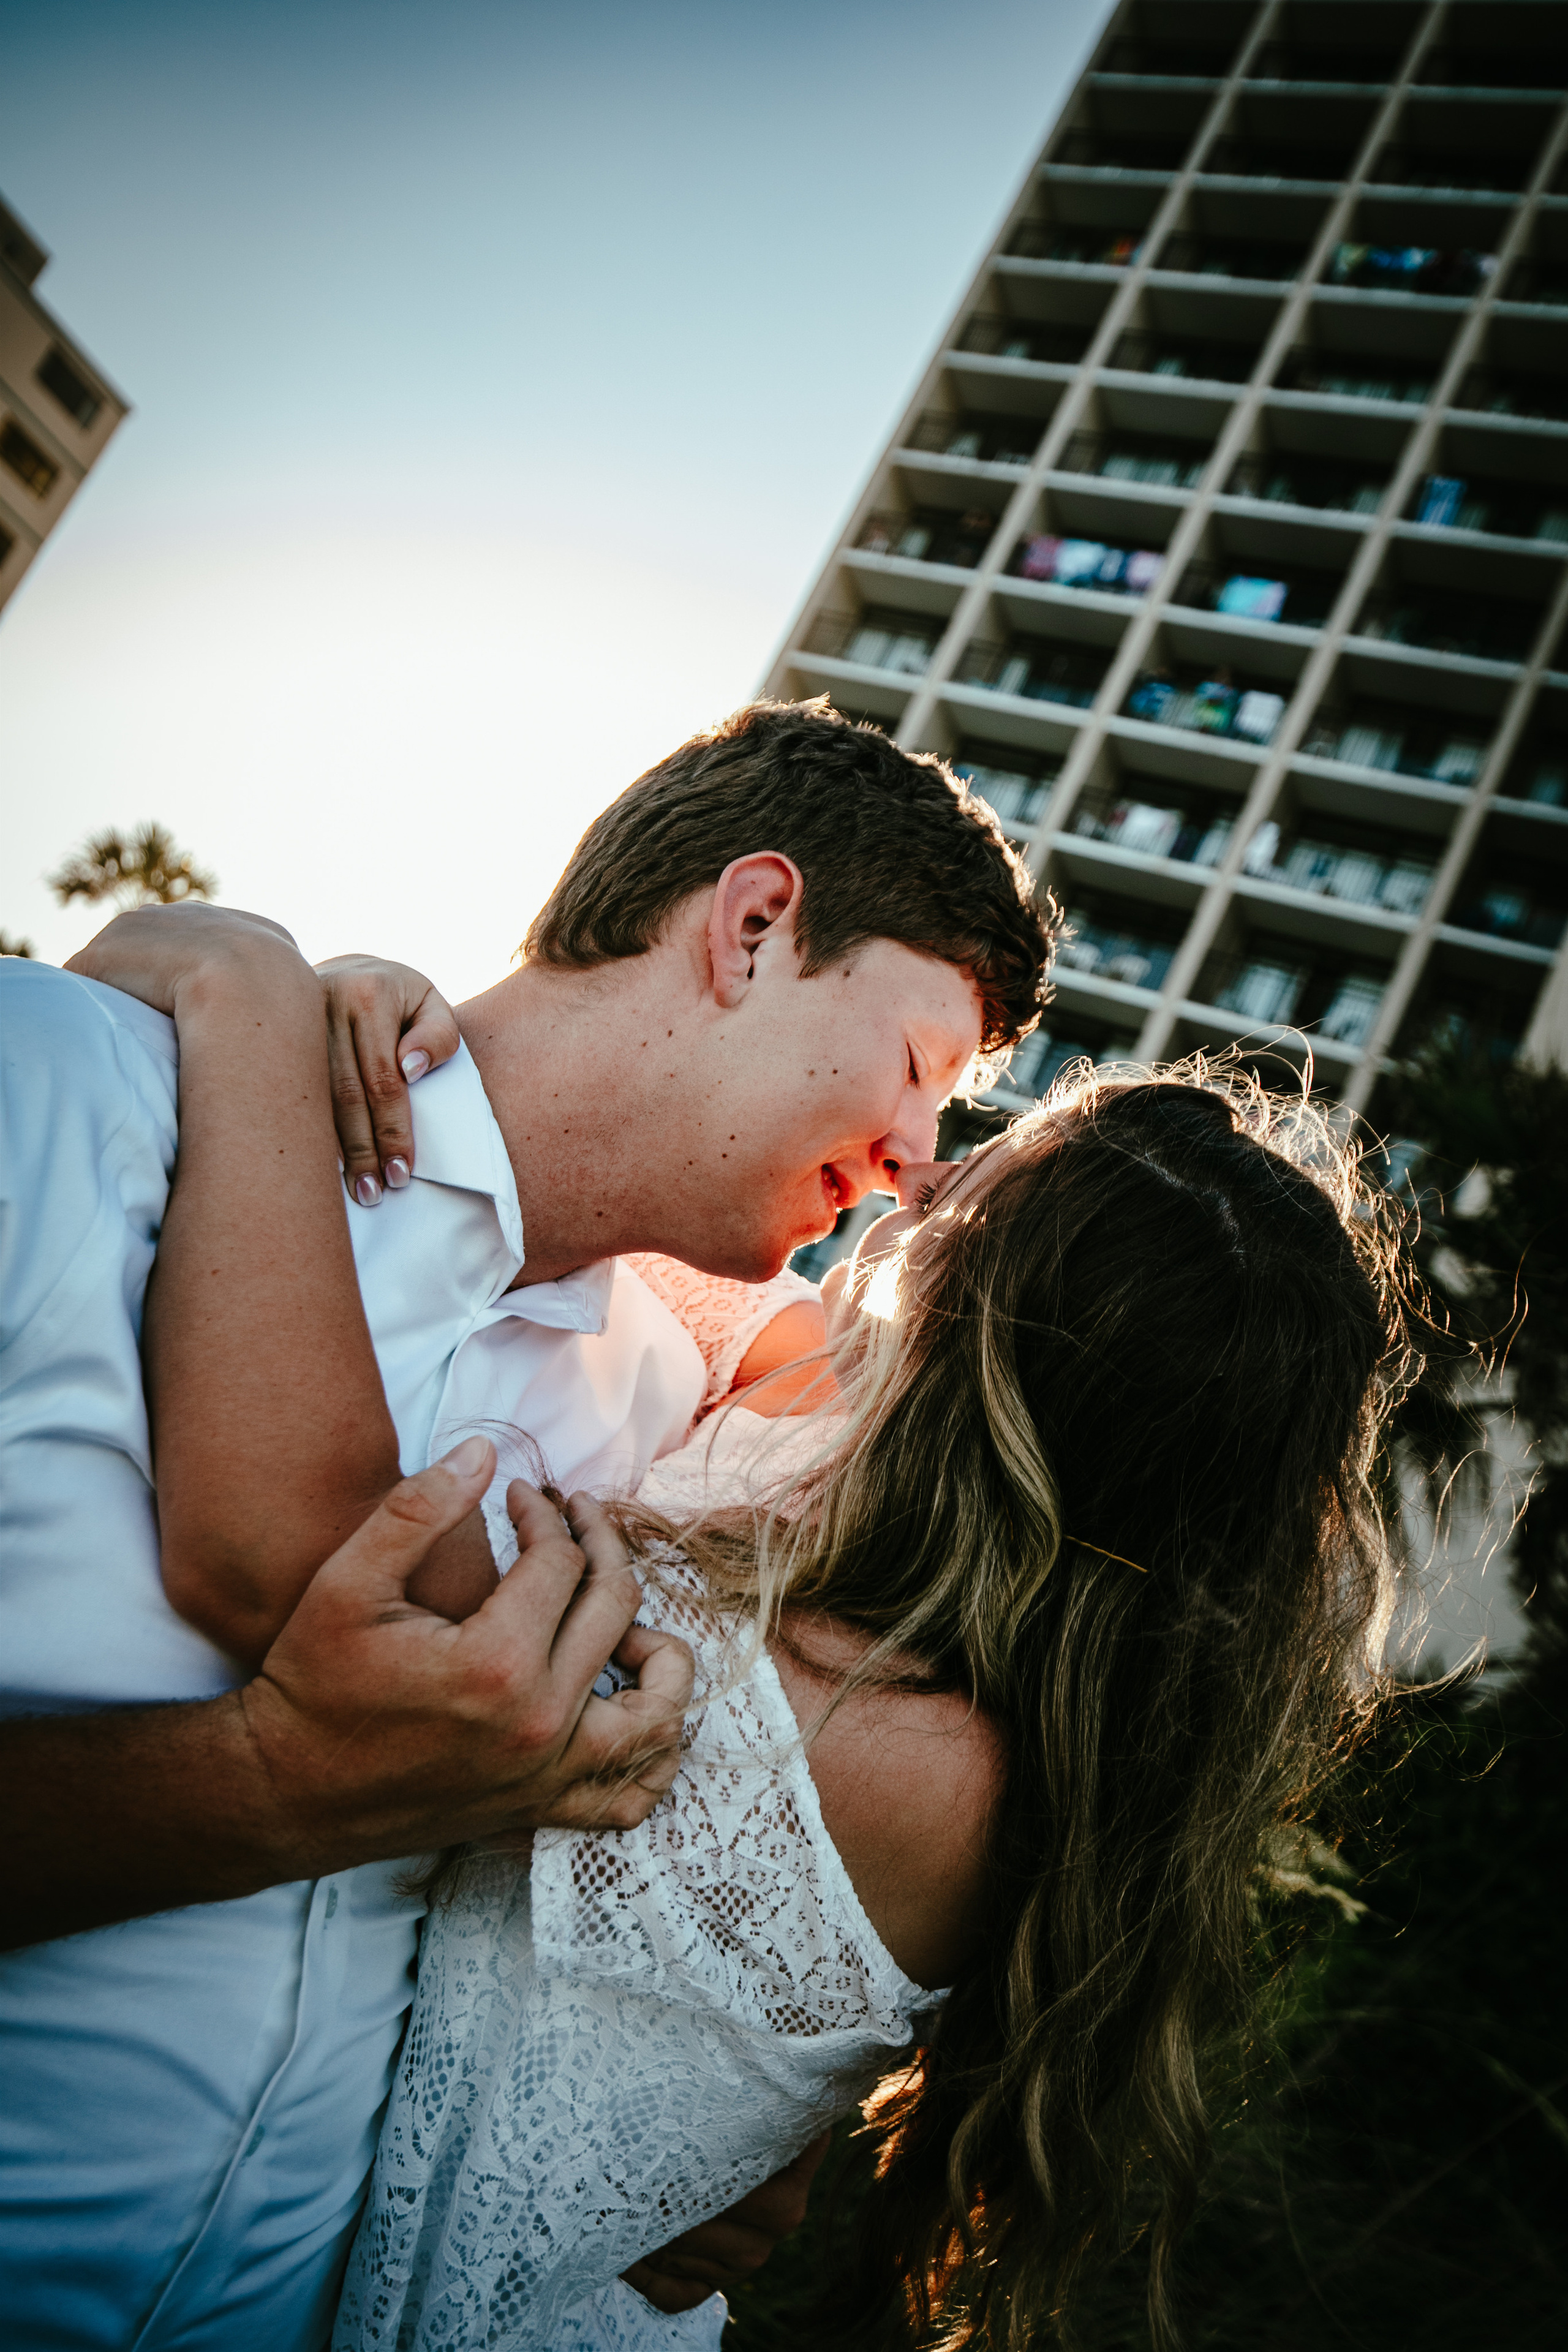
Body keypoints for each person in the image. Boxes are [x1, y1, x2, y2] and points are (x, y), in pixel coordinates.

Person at [82, 897, 1415, 2346]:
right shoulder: (949, 1672)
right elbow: (627, 1235)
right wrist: (423, 1046)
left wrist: (247, 1009)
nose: (912, 1188)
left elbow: (304, 1540)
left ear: (989, 1329)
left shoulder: (824, 1725)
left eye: (974, 1182)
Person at [0, 698, 1054, 2350]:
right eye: (924, 1069)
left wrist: (699, 2137)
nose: (925, 1160)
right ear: (756, 924)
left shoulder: (671, 1423)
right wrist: (261, 1789)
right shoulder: (62, 1103)